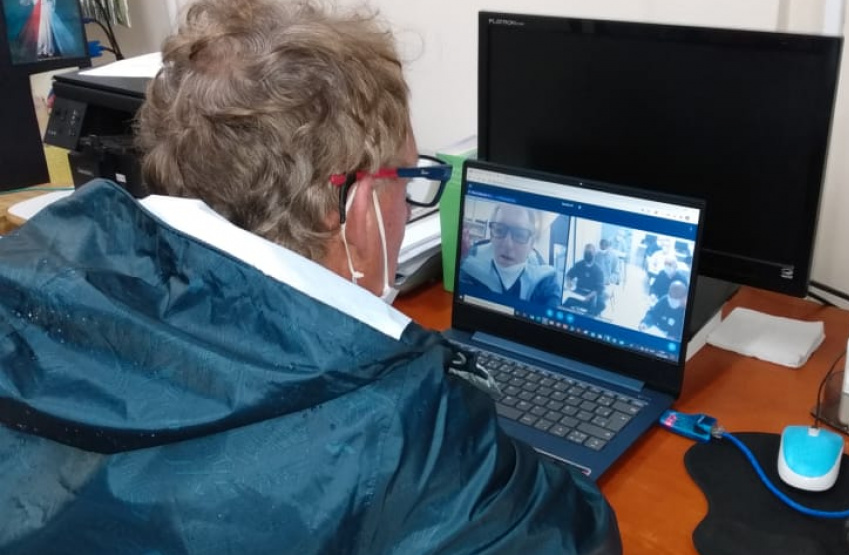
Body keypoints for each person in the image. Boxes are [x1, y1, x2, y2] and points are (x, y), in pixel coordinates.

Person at [0, 1, 621, 553]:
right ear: (350, 208)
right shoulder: (405, 425)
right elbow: (577, 535)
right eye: (407, 179)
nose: (408, 206)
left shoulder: (31, 269)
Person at [459, 204, 562, 306]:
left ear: (532, 243)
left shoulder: (546, 280)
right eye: (499, 230)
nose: (507, 244)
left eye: (520, 234)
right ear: (491, 234)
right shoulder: (468, 261)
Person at [564, 243, 607, 316]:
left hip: (592, 294)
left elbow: (599, 288)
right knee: (566, 303)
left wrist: (589, 296)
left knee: (600, 305)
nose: (587, 254)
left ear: (594, 254)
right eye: (586, 252)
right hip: (579, 291)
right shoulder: (579, 265)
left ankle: (588, 316)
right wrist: (569, 282)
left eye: (590, 253)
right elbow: (569, 275)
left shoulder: (598, 270)